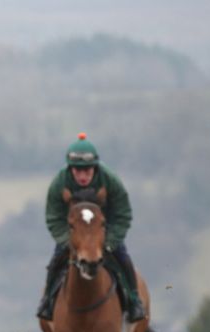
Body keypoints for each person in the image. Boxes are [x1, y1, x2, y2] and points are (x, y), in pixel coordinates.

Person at [36, 132, 145, 322]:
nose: (83, 175)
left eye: (87, 170)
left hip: (104, 228)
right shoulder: (59, 184)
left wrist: (109, 242)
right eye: (78, 171)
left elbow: (123, 214)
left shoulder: (110, 180)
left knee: (123, 257)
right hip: (74, 232)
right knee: (55, 262)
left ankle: (134, 301)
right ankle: (47, 302)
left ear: (95, 168)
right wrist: (67, 241)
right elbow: (53, 218)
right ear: (70, 170)